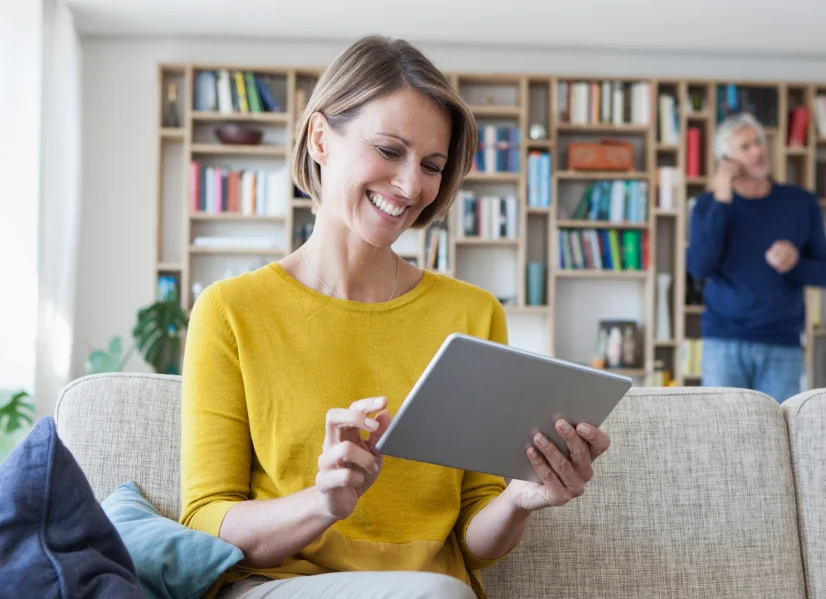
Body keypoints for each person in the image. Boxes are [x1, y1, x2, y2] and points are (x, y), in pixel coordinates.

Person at [179, 35, 612, 599]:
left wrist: (519, 499)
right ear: (320, 138)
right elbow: (206, 519)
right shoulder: (231, 310)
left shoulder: (471, 313)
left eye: (432, 166)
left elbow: (475, 540)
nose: (411, 186)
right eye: (389, 150)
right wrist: (322, 503)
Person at [686, 112, 826, 403]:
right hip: (723, 342)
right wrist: (722, 199)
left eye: (759, 142)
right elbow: (699, 267)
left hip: (782, 344)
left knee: (778, 429)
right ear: (726, 160)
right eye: (745, 147)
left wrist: (796, 263)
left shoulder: (801, 203)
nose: (757, 151)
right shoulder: (707, 206)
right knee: (723, 428)